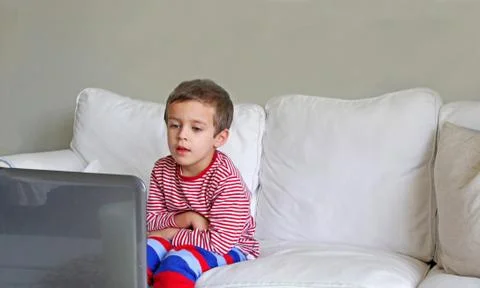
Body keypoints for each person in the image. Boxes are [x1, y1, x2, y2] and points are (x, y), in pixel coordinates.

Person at [145, 79, 259, 288]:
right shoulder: (162, 169)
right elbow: (150, 221)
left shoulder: (226, 180)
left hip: (231, 246)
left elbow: (218, 242)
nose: (182, 136)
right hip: (188, 236)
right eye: (174, 125)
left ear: (219, 138)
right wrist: (184, 219)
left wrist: (170, 233)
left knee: (176, 265)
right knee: (137, 257)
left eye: (196, 128)